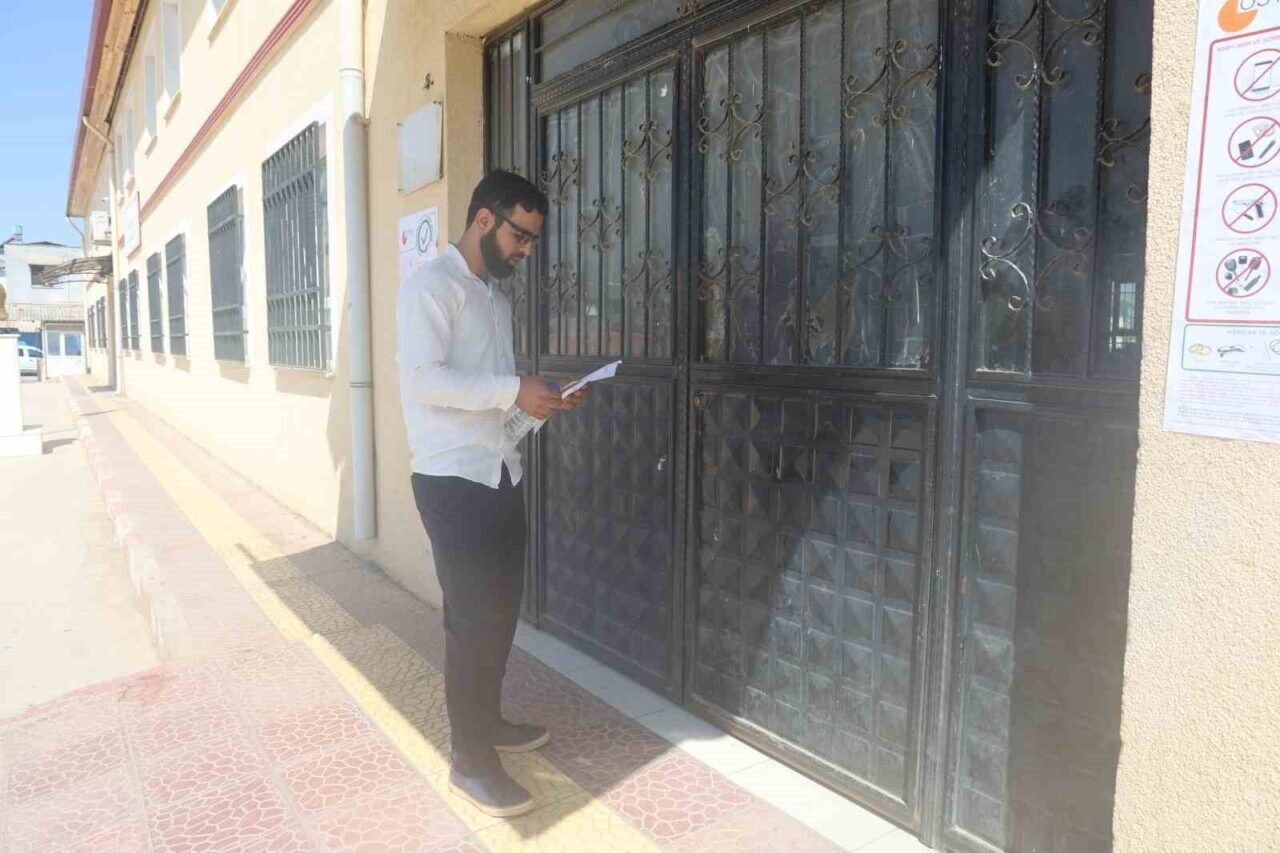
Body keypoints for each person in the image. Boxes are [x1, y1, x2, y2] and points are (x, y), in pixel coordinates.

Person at [397, 170, 586, 818]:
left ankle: (489, 722)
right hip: (452, 482)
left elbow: (496, 403)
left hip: (501, 472)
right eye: (520, 235)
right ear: (484, 219)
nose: (526, 250)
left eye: (532, 240)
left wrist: (539, 402)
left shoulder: (495, 302)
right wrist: (512, 389)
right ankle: (470, 760)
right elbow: (424, 381)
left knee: (500, 615)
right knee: (471, 621)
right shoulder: (430, 287)